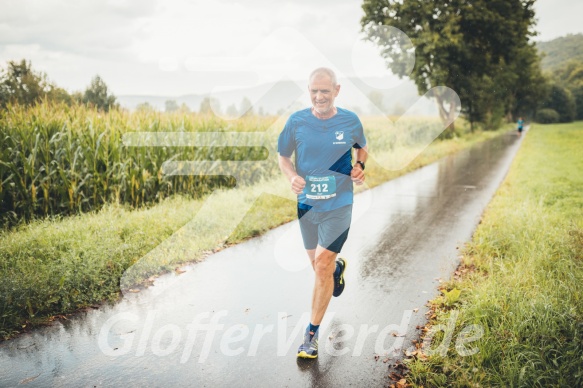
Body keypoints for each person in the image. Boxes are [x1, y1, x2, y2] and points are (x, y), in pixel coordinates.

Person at [277, 67, 368, 359]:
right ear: (309, 91)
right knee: (319, 267)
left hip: (339, 205)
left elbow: (362, 149)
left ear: (337, 91)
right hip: (307, 205)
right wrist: (291, 176)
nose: (319, 96)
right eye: (314, 91)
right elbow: (283, 157)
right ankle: (337, 269)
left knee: (322, 263)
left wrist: (360, 167)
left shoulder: (350, 120)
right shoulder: (297, 122)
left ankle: (311, 334)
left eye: (325, 91)